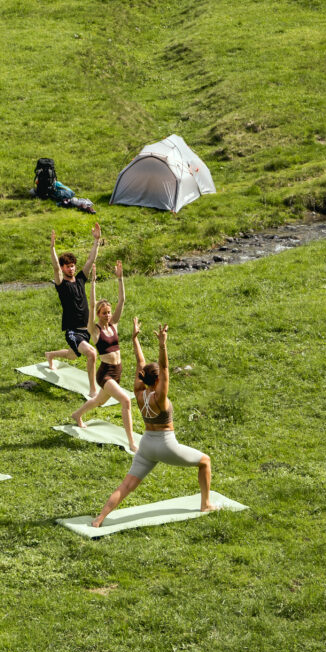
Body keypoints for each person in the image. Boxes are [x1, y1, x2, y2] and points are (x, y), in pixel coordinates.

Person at [91, 318, 213, 528]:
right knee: (205, 461)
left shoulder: (139, 393)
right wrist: (162, 344)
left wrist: (134, 339)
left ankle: (99, 518)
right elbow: (164, 368)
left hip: (146, 444)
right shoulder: (160, 398)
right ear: (157, 381)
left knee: (127, 484)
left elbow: (141, 364)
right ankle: (206, 504)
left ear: (144, 379)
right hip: (166, 445)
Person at [70, 259, 135, 451]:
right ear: (98, 314)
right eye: (104, 313)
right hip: (105, 373)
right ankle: (131, 442)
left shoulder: (114, 325)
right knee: (125, 401)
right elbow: (91, 305)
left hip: (117, 371)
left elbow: (122, 300)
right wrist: (93, 283)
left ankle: (77, 415)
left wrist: (120, 279)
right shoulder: (95, 330)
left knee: (99, 401)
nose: (107, 315)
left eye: (108, 312)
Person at [45, 222, 102, 393]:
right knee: (92, 354)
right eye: (68, 266)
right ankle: (93, 390)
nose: (71, 268)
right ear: (63, 268)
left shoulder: (80, 280)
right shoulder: (61, 284)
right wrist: (52, 247)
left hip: (86, 329)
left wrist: (96, 241)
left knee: (72, 355)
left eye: (73, 266)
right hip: (72, 330)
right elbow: (55, 266)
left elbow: (91, 259)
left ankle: (51, 355)